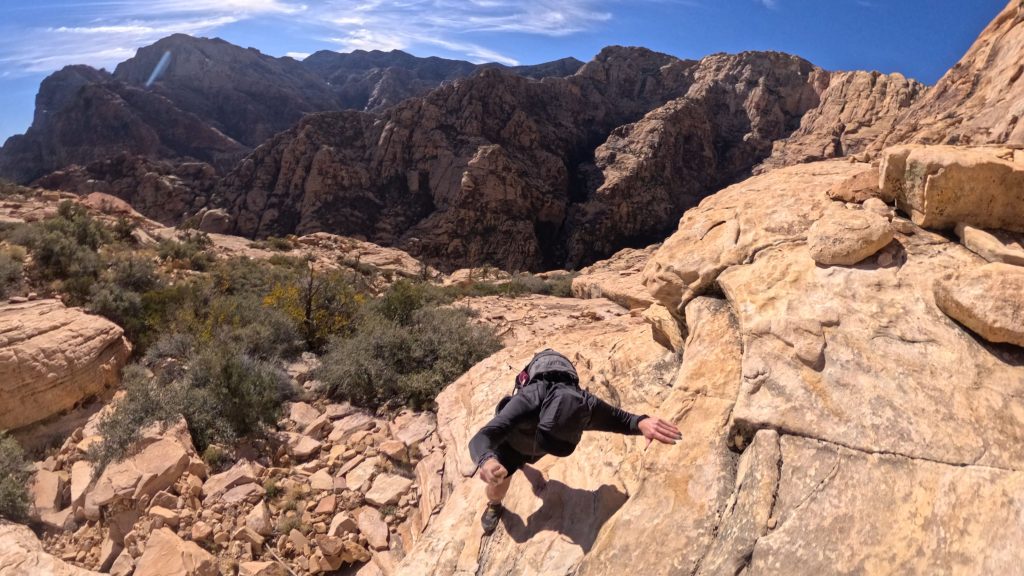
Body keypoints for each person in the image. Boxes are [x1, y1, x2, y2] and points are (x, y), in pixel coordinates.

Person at [468, 349, 682, 535]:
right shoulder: (528, 401)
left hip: (543, 424)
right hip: (513, 444)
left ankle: (526, 462)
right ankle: (494, 505)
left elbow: (624, 420)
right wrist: (486, 460)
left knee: (533, 455)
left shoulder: (586, 406)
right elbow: (482, 437)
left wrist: (643, 422)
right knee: (497, 488)